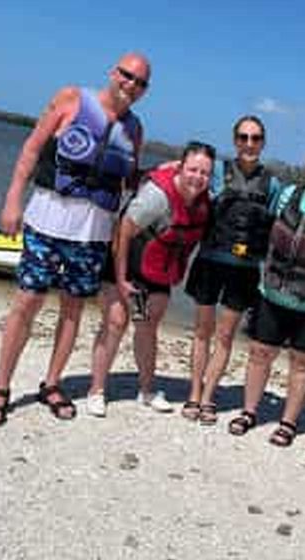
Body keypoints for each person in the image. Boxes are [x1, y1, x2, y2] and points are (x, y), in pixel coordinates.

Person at [0, 52, 149, 425]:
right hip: (46, 221)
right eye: (127, 75)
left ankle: (52, 383)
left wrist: (167, 177)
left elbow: (129, 179)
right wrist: (12, 200)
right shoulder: (71, 98)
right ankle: (1, 386)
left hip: (93, 234)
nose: (131, 85)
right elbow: (32, 149)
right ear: (113, 72)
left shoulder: (135, 129)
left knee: (73, 309)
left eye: (140, 82)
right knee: (27, 302)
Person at [227, 144, 305, 445]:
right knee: (260, 354)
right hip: (272, 294)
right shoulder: (287, 196)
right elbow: (261, 225)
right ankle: (249, 411)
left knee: (301, 363)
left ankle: (288, 422)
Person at [86, 141, 214, 416]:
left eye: (205, 173)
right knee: (116, 322)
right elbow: (124, 230)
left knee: (146, 325)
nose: (198, 177)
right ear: (181, 167)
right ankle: (96, 390)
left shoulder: (205, 200)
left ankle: (146, 391)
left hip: (157, 266)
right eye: (193, 170)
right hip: (124, 257)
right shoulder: (157, 196)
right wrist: (121, 279)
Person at [183, 115, 284, 424]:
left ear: (263, 143)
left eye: (255, 138)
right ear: (235, 140)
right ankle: (194, 393)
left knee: (225, 336)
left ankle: (209, 397)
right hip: (210, 260)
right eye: (243, 137)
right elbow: (186, 186)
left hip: (245, 269)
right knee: (202, 331)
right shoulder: (217, 172)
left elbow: (278, 227)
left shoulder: (272, 184)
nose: (249, 144)